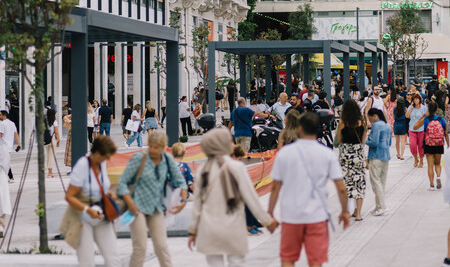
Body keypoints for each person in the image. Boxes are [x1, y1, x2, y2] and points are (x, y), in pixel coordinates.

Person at [268, 112, 350, 267]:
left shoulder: (285, 153)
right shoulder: (327, 154)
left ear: (300, 128)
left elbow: (275, 187)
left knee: (288, 258)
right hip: (317, 216)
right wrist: (345, 211)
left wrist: (270, 213)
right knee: (316, 261)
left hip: (291, 216)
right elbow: (341, 188)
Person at [188, 129, 277, 266]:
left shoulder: (202, 171)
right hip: (233, 225)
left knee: (214, 263)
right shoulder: (237, 168)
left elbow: (198, 205)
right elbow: (250, 197)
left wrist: (193, 230)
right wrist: (267, 221)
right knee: (236, 262)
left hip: (209, 227)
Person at [118, 130, 188, 267]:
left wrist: (183, 201)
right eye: (151, 146)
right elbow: (122, 183)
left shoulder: (167, 159)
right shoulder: (140, 158)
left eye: (157, 147)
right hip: (137, 207)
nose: (153, 150)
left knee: (162, 246)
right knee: (141, 248)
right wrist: (130, 203)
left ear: (163, 148)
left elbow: (181, 181)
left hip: (156, 208)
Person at [61, 136, 120, 267]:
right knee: (86, 261)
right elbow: (70, 196)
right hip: (83, 217)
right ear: (97, 153)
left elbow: (101, 186)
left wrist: (109, 193)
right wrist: (88, 210)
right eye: (105, 156)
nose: (107, 159)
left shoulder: (102, 163)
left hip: (101, 215)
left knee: (113, 258)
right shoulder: (83, 164)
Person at [336, 100, 367, 221]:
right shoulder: (362, 123)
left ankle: (346, 211)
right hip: (358, 154)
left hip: (345, 155)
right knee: (359, 183)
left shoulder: (342, 123)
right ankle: (358, 213)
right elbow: (363, 140)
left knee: (346, 183)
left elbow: (339, 139)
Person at [413, 101, 449, 190]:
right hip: (439, 144)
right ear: (436, 109)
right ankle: (438, 177)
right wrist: (448, 144)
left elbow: (415, 127)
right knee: (437, 163)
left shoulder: (426, 119)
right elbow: (446, 133)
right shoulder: (441, 119)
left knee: (430, 165)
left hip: (429, 144)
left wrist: (423, 116)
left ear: (428, 109)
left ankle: (432, 185)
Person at [366, 108, 392, 216]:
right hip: (385, 155)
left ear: (374, 116)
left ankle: (382, 206)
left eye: (369, 117)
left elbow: (374, 142)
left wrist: (365, 140)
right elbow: (389, 142)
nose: (369, 120)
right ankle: (378, 206)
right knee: (381, 182)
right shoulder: (387, 125)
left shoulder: (376, 126)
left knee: (375, 182)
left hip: (376, 156)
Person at [406, 93, 427, 168]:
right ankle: (415, 158)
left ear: (420, 100)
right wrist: (411, 107)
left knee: (421, 146)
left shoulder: (423, 108)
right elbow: (407, 116)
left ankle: (421, 160)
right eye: (414, 99)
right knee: (412, 145)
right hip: (412, 129)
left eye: (417, 99)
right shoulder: (410, 107)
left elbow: (427, 117)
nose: (416, 101)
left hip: (421, 130)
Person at [0, 110, 21, 183]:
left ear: (4, 115)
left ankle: (10, 177)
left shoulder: (2, 124)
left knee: (4, 162)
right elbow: (16, 134)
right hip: (9, 146)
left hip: (3, 146)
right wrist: (19, 144)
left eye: (0, 115)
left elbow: (0, 134)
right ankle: (10, 177)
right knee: (5, 161)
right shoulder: (12, 123)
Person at [0, 116, 12, 239]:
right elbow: (6, 164)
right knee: (2, 200)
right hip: (1, 175)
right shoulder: (3, 147)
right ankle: (1, 226)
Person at [45, 108, 61, 177]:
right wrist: (58, 140)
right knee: (51, 156)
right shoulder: (54, 121)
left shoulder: (44, 121)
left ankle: (49, 171)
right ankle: (50, 172)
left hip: (46, 140)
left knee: (48, 156)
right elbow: (56, 132)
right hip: (52, 139)